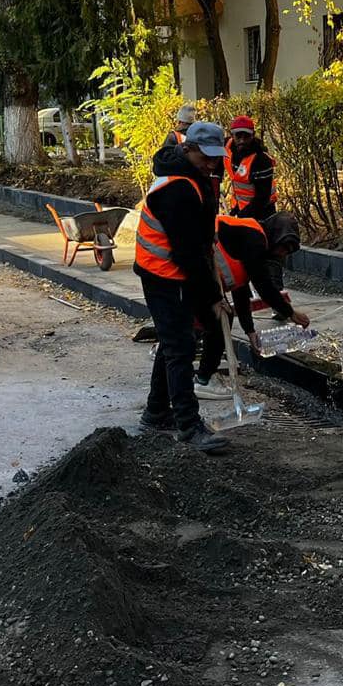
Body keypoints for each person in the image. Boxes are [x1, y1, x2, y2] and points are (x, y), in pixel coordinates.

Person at [134, 119, 232, 454]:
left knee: (173, 342)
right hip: (165, 275)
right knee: (180, 348)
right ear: (187, 148)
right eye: (205, 156)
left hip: (168, 271)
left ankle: (156, 413)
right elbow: (187, 254)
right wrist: (213, 298)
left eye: (216, 157)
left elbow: (198, 240)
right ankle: (189, 426)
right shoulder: (177, 189)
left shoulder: (191, 176)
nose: (211, 163)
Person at [195, 211, 311, 396]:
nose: (282, 254)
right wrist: (291, 313)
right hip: (194, 270)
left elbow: (240, 291)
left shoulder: (245, 240)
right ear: (276, 236)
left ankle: (197, 374)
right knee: (212, 323)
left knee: (217, 319)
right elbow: (263, 285)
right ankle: (202, 380)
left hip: (202, 275)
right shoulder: (254, 238)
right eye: (283, 248)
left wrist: (250, 331)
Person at [223, 115, 276, 220]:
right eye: (238, 136)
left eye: (246, 136)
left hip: (262, 212)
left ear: (253, 135)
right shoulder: (227, 146)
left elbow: (262, 198)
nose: (242, 140)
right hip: (238, 206)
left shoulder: (261, 160)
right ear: (232, 135)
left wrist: (240, 217)